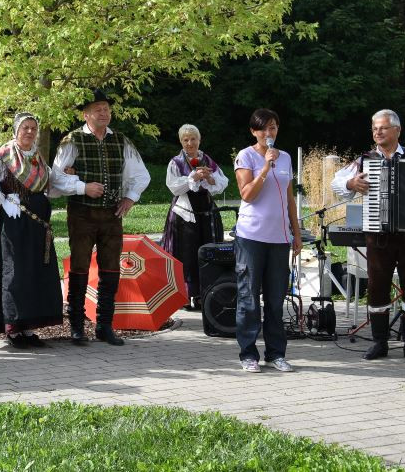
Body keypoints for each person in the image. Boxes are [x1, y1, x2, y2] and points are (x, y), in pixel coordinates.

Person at [330, 109, 405, 363]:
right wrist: (350, 184)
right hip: (378, 235)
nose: (377, 132)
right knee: (377, 287)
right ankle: (380, 342)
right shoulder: (364, 160)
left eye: (383, 128)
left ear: (397, 130)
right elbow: (337, 184)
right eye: (374, 128)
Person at [51, 89, 151, 346]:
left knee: (110, 269)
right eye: (98, 109)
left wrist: (130, 197)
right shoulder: (72, 140)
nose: (104, 113)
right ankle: (76, 326)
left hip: (111, 215)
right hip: (82, 213)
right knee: (80, 268)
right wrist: (83, 186)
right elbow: (55, 178)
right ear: (86, 115)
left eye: (106, 108)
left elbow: (141, 175)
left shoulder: (121, 141)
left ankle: (104, 325)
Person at [0, 112, 64, 348]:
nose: (30, 132)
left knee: (33, 273)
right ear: (16, 130)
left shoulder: (37, 158)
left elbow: (52, 184)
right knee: (16, 273)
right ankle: (13, 327)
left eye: (33, 128)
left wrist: (80, 184)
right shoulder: (3, 156)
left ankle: (29, 327)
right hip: (13, 225)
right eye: (25, 128)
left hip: (37, 226)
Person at [232, 108, 303, 373]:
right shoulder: (246, 156)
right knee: (249, 296)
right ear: (254, 131)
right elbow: (247, 194)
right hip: (251, 236)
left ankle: (276, 353)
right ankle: (248, 354)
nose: (269, 133)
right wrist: (264, 167)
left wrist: (296, 233)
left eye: (273, 128)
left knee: (275, 298)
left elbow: (289, 198)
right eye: (263, 129)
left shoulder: (284, 158)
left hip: (279, 237)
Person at [161, 124, 229, 308]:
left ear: (199, 140)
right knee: (186, 253)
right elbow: (173, 186)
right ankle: (184, 295)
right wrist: (193, 177)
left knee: (207, 251)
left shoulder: (206, 159)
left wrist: (209, 178)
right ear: (181, 142)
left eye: (193, 139)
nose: (190, 143)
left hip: (206, 214)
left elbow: (222, 183)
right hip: (185, 215)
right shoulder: (175, 162)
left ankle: (205, 294)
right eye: (185, 140)